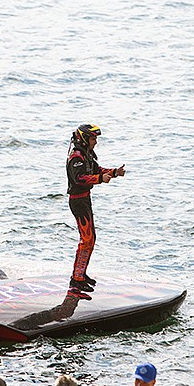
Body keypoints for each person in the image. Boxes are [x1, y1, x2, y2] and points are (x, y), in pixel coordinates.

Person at [66, 124, 125, 293]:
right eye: (93, 139)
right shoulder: (76, 157)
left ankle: (81, 275)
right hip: (78, 201)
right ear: (85, 139)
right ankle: (76, 279)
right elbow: (80, 179)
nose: (96, 142)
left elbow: (96, 169)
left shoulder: (86, 154)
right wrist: (100, 179)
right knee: (86, 239)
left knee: (91, 238)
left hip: (85, 199)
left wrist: (114, 172)